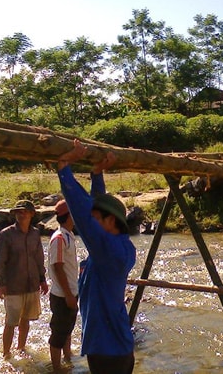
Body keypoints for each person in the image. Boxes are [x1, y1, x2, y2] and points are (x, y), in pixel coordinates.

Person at [57, 140, 136, 374]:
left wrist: (64, 168)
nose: (93, 222)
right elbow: (96, 208)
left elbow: (83, 212)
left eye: (98, 218)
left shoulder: (110, 250)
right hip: (112, 346)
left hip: (108, 350)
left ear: (111, 222)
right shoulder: (115, 245)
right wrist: (97, 174)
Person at [0, 200, 49, 358]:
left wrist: (42, 279)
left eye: (25, 211)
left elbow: (39, 258)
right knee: (10, 322)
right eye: (18, 212)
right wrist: (0, 284)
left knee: (26, 319)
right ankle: (6, 354)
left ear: (32, 214)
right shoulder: (6, 235)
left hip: (32, 284)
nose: (21, 214)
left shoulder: (35, 233)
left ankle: (21, 348)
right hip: (12, 286)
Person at [48, 199, 78, 372]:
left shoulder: (68, 235)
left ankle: (68, 359)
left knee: (67, 329)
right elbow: (57, 267)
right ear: (69, 216)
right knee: (58, 333)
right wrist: (68, 295)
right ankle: (57, 368)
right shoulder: (59, 238)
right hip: (62, 295)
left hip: (70, 292)